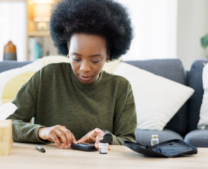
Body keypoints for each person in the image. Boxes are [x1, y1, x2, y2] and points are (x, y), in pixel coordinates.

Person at [7, 0, 136, 150]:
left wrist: (106, 137)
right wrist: (42, 131)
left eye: (95, 60)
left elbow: (128, 141)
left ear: (108, 54)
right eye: (76, 58)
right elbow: (6, 122)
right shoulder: (47, 77)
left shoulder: (120, 88)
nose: (84, 68)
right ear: (67, 51)